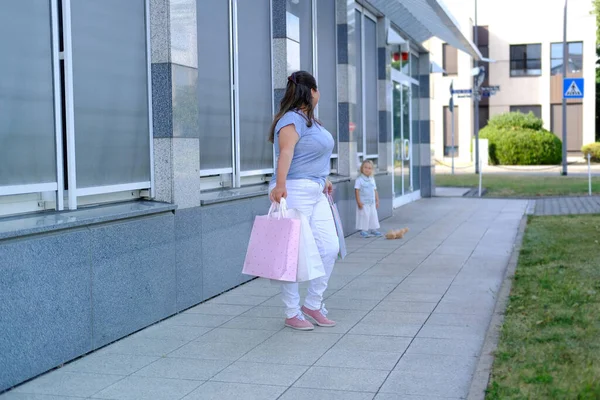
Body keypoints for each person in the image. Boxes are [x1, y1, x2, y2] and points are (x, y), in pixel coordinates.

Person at [269, 70, 339, 331]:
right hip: (294, 190)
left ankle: (313, 303)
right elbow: (286, 152)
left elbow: (312, 156)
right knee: (293, 254)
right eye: (317, 89)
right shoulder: (290, 120)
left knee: (329, 247)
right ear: (311, 92)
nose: (319, 94)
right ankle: (291, 311)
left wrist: (324, 178)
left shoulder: (312, 121)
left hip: (317, 190)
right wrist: (280, 185)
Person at [355, 159, 382, 238]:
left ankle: (373, 229)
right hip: (363, 202)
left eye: (369, 168)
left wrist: (377, 200)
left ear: (372, 170)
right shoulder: (359, 180)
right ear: (362, 168)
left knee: (373, 215)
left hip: (372, 202)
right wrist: (358, 201)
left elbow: (375, 190)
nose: (367, 169)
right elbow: (357, 191)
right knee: (364, 216)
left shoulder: (372, 179)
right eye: (365, 167)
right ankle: (363, 230)